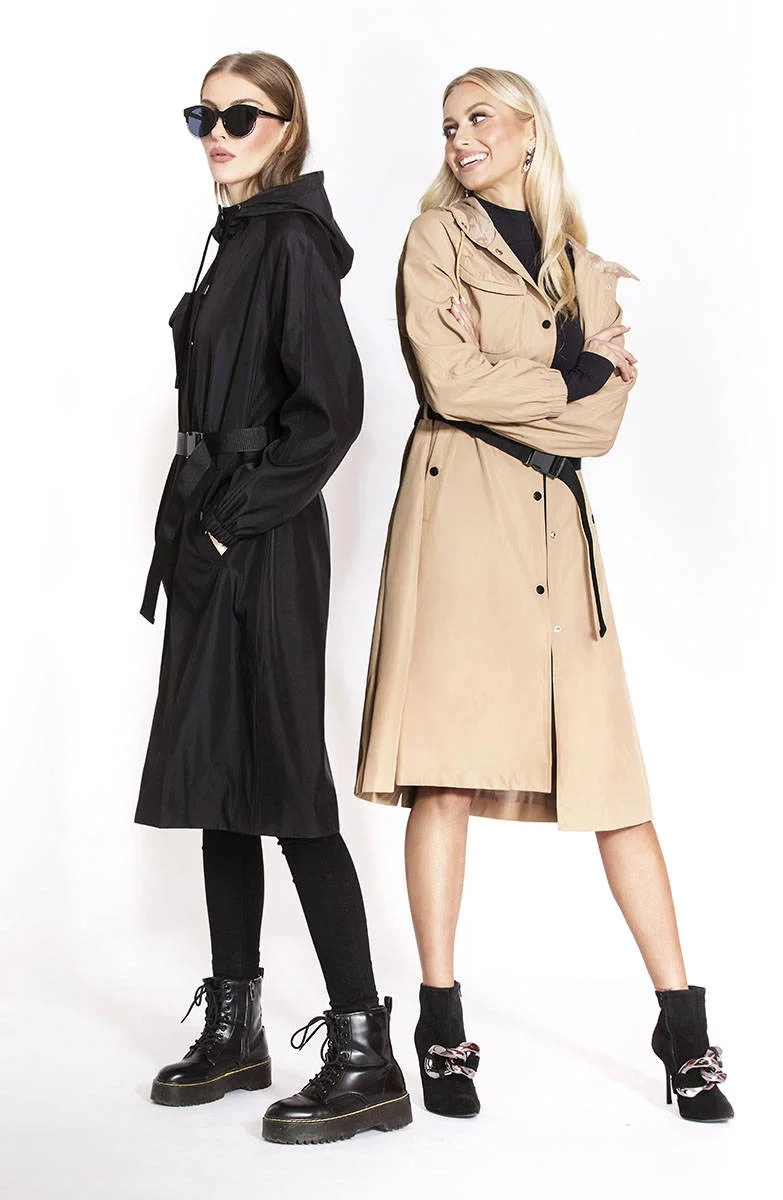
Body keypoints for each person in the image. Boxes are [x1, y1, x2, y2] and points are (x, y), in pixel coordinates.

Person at [355, 66, 733, 1124]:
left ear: (529, 130)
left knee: (614, 782)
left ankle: (682, 1026)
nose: (459, 137)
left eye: (478, 116)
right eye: (447, 125)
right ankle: (439, 1023)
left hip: (557, 534)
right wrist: (576, 372)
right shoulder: (434, 241)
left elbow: (601, 432)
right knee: (445, 774)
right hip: (458, 523)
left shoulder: (586, 266)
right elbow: (448, 384)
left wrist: (535, 389)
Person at [136, 50, 411, 1146]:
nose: (217, 132)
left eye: (240, 116)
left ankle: (366, 1055)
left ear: (286, 128)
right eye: (202, 114)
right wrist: (198, 529)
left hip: (261, 537)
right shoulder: (234, 240)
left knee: (288, 782)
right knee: (219, 776)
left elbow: (330, 410)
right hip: (213, 535)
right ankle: (236, 1027)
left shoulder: (289, 241)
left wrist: (228, 519)